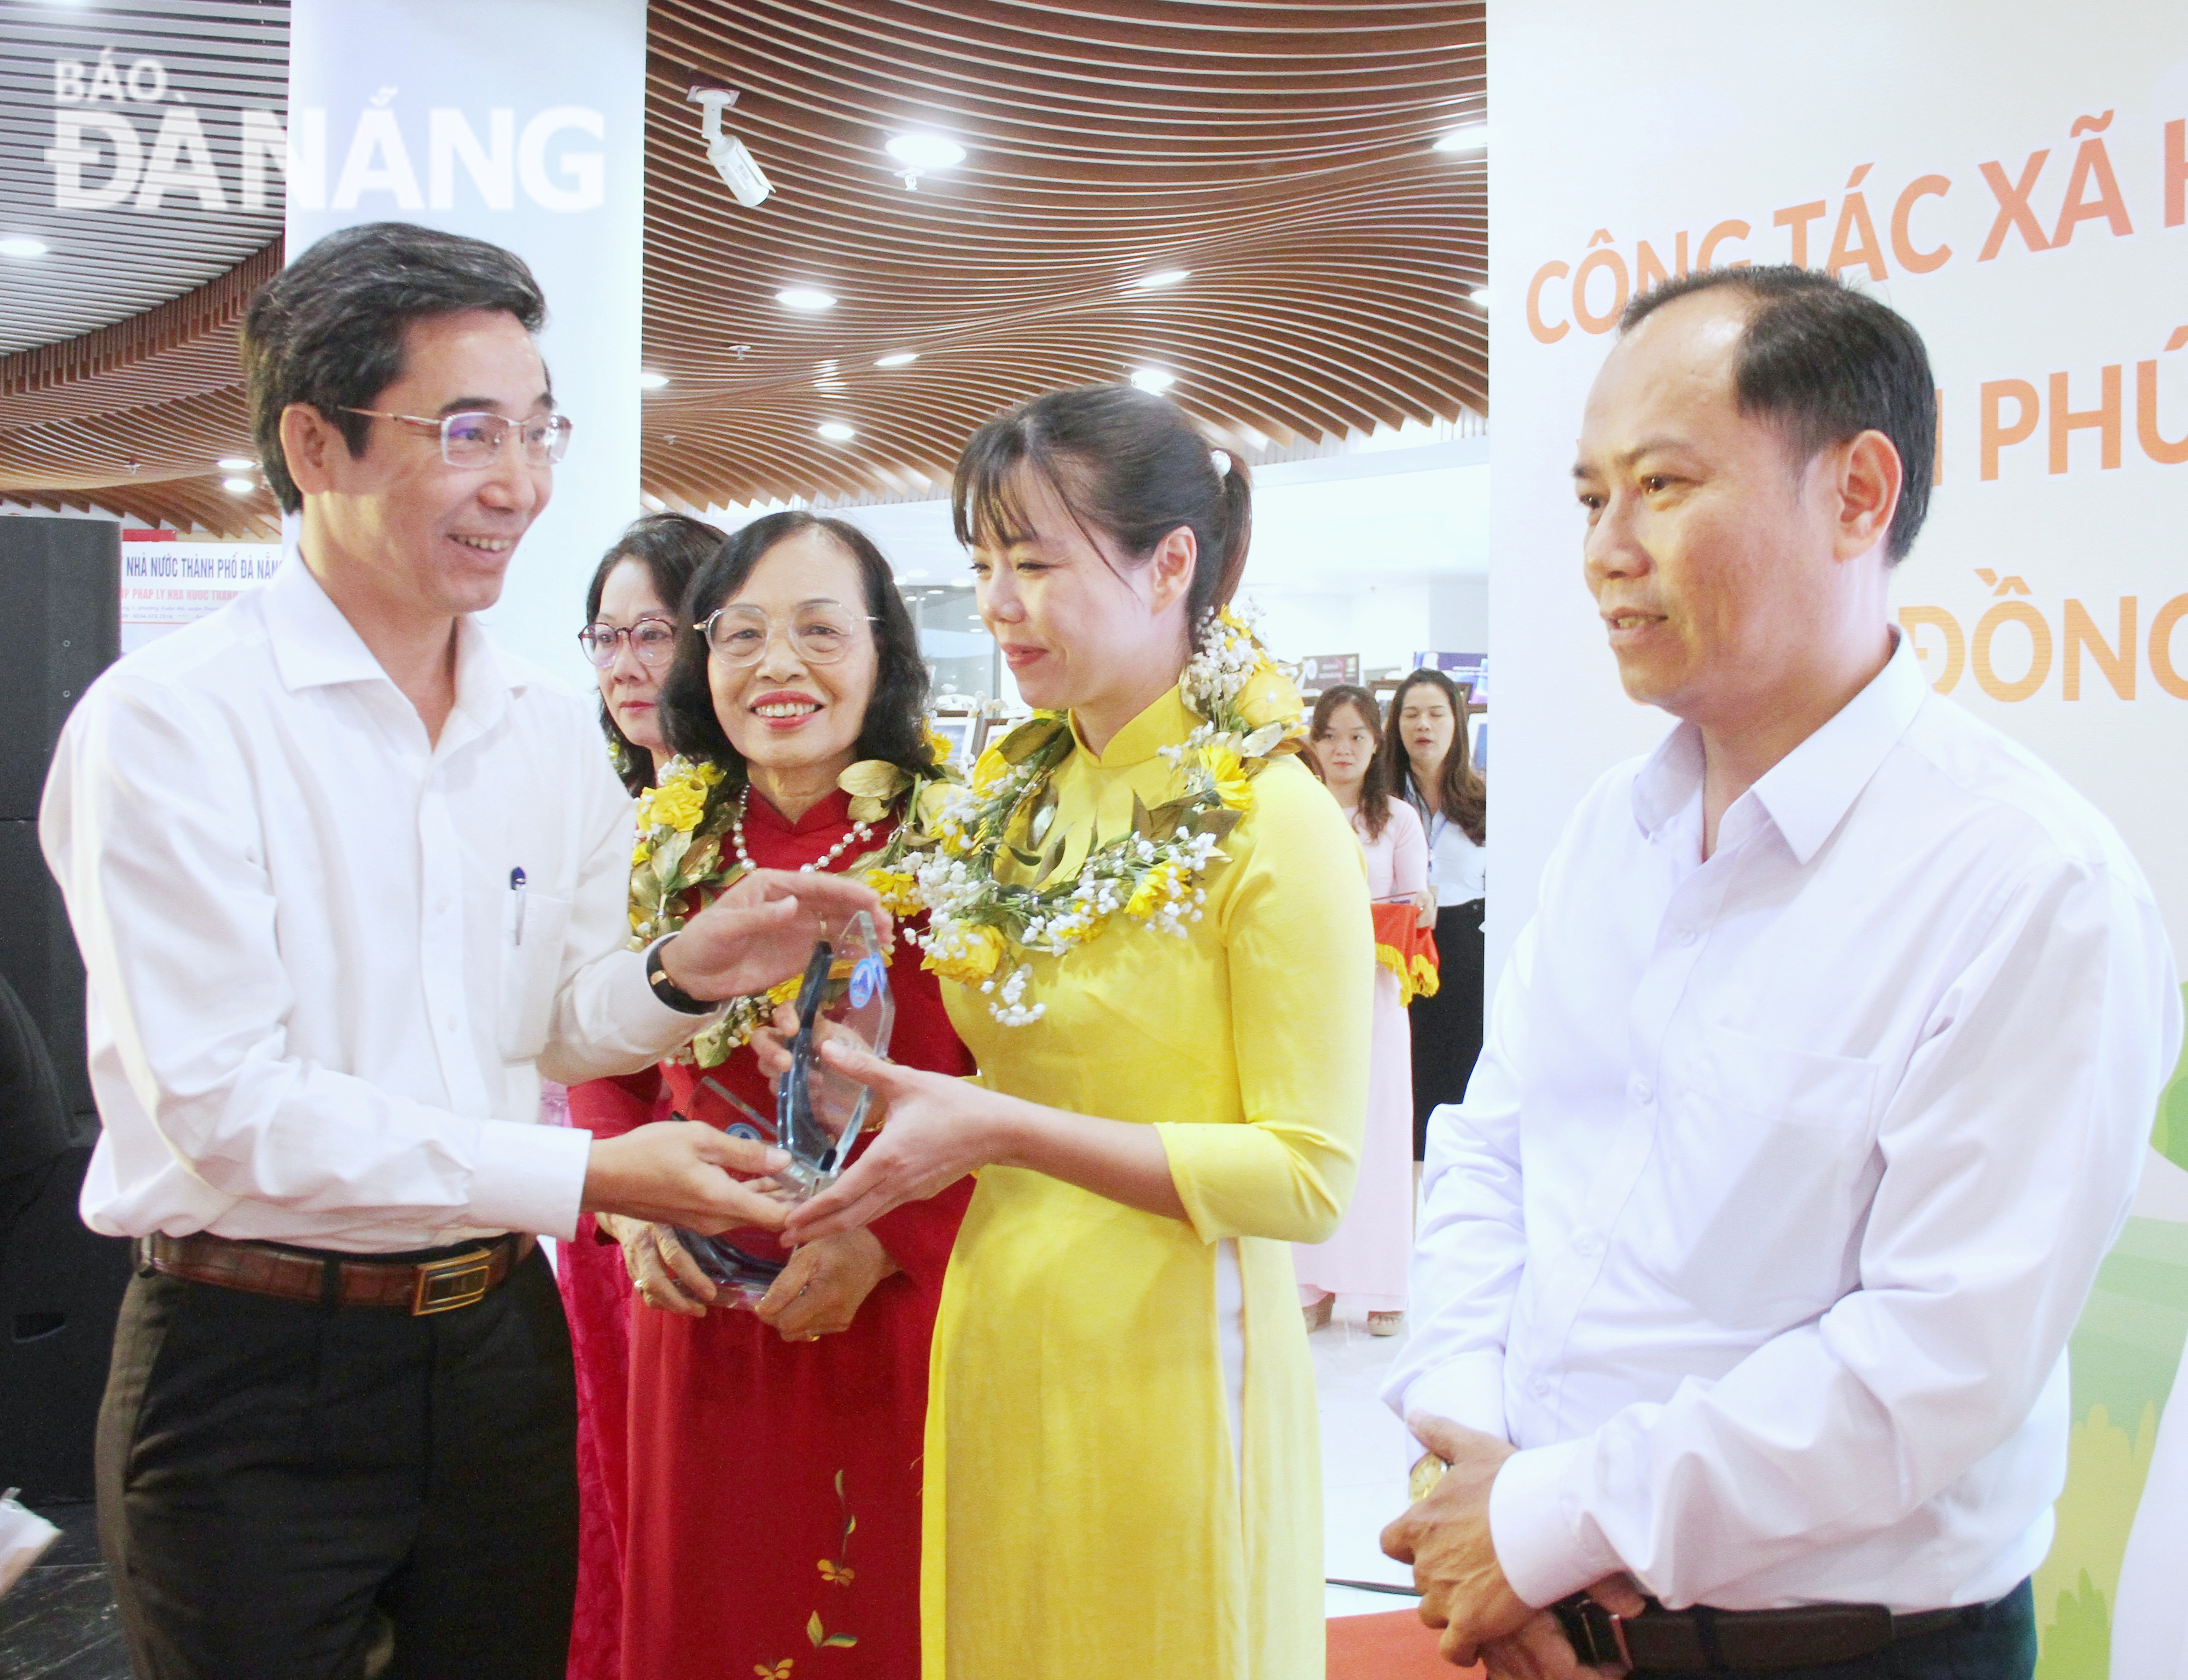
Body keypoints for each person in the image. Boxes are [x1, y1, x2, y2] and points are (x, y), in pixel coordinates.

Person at [37, 221, 884, 1680]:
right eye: (468, 431)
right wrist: (587, 1176)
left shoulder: (540, 721)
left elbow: (554, 1019)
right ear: (315, 441)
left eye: (541, 430)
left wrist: (689, 966)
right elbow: (228, 1103)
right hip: (249, 1361)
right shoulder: (172, 721)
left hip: (494, 1347)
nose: (522, 485)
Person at [1380, 266, 2181, 1680]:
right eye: (1586, 497)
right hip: (1525, 1599)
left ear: (1859, 494)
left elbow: (1927, 1367)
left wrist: (1546, 1515)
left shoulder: (2029, 883)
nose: (1607, 550)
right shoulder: (1603, 836)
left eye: (1663, 486)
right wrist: (1473, 1451)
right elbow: (1494, 1152)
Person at [765, 384, 1374, 1680]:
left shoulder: (1271, 817)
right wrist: (867, 1053)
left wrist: (993, 1125)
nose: (997, 603)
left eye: (1035, 563)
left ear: (1170, 564)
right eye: (984, 564)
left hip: (1167, 1343)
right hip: (998, 1310)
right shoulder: (1020, 798)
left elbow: (1310, 1176)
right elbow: (1005, 1061)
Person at [606, 510, 975, 1680]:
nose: (777, 665)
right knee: (703, 1612)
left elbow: (1034, 1094)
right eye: (742, 632)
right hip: (700, 1319)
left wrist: (888, 1242)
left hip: (894, 1308)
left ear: (884, 654)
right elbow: (592, 1066)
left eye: (820, 630)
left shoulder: (967, 852)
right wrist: (624, 1202)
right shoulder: (659, 846)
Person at [561, 509, 726, 1680]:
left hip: (757, 1205)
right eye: (605, 635)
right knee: (626, 1504)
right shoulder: (593, 814)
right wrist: (621, 1198)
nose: (625, 664)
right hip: (622, 1205)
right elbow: (572, 1046)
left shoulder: (766, 812)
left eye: (651, 632)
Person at [1295, 684, 1427, 1337]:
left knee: (1377, 1131)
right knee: (1314, 1126)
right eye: (1329, 734)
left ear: (1377, 744)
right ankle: (1312, 1282)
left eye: (1356, 735)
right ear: (1311, 743)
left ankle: (1383, 1286)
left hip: (1374, 996)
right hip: (1306, 996)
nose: (1342, 748)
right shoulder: (1294, 813)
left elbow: (1413, 906)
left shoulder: (1397, 819)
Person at [1380, 666, 1487, 1159]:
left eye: (1436, 714)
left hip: (1466, 950)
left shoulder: (1485, 800)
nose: (1424, 725)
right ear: (1396, 726)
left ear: (1456, 723)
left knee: (1463, 1077)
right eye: (1412, 714)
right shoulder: (1378, 800)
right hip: (1396, 953)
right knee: (1404, 1074)